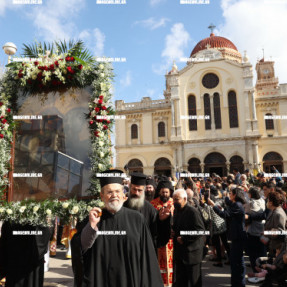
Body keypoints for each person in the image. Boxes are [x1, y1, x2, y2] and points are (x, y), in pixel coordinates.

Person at [71, 169, 164, 287]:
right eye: (109, 192)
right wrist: (91, 227)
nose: (114, 195)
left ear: (123, 194)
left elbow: (147, 257)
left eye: (117, 191)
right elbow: (79, 248)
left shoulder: (137, 219)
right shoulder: (94, 219)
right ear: (102, 196)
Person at [124, 172, 171, 249]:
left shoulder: (150, 208)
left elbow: (157, 234)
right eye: (134, 189)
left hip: (145, 250)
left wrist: (162, 221)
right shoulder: (123, 207)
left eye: (139, 190)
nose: (136, 193)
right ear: (130, 188)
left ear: (144, 190)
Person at [213, 187, 247, 287]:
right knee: (235, 261)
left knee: (237, 262)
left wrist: (213, 206)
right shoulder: (236, 204)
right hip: (236, 236)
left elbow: (225, 214)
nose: (229, 195)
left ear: (235, 195)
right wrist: (226, 199)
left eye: (231, 193)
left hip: (238, 237)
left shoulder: (238, 205)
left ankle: (239, 283)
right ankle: (236, 282)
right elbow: (229, 204)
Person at [0, 222, 52, 287]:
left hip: (17, 261)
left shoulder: (11, 221)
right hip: (24, 260)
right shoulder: (39, 221)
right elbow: (46, 234)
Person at [172, 189, 205, 287]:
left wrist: (184, 238)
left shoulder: (193, 212)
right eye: (173, 200)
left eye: (177, 200)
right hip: (180, 254)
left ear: (185, 199)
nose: (175, 202)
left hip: (192, 254)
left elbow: (200, 230)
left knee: (194, 282)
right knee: (181, 281)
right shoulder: (177, 211)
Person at [151, 180, 174, 287]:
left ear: (170, 192)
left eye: (166, 192)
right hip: (158, 239)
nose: (164, 194)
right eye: (163, 192)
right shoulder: (153, 203)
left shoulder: (174, 203)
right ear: (159, 192)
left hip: (172, 240)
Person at [244, 187, 266, 272]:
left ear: (251, 194)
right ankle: (263, 270)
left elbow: (246, 215)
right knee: (262, 252)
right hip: (262, 229)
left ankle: (256, 272)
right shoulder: (262, 201)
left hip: (252, 230)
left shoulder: (250, 203)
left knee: (253, 253)